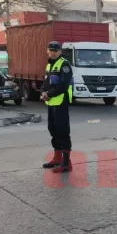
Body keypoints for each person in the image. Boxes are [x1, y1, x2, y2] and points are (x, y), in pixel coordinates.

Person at [41, 41, 74, 173]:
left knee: (62, 131)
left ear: (60, 52)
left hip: (61, 102)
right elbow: (45, 82)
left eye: (55, 50)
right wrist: (43, 92)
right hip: (51, 102)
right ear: (47, 51)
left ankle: (66, 163)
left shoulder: (64, 64)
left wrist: (48, 93)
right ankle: (57, 158)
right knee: (53, 129)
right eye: (51, 50)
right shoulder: (49, 64)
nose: (53, 52)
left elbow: (63, 86)